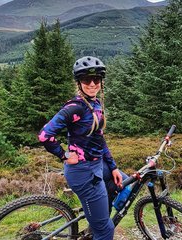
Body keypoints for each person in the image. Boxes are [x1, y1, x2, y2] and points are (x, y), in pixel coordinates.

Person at [38, 56, 127, 240]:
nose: (92, 84)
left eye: (96, 80)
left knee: (125, 185)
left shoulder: (94, 103)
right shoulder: (76, 107)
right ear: (79, 82)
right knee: (106, 230)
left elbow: (98, 138)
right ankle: (99, 226)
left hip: (97, 165)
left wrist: (113, 166)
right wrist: (63, 155)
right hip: (84, 172)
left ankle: (96, 220)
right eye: (87, 80)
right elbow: (45, 135)